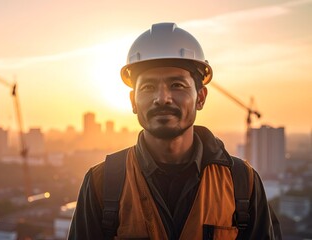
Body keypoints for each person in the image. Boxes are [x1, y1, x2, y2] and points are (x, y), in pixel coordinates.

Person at [68, 22, 281, 239]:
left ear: (200, 97)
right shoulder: (102, 183)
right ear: (133, 101)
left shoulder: (241, 183)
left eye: (177, 85)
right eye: (148, 87)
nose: (162, 98)